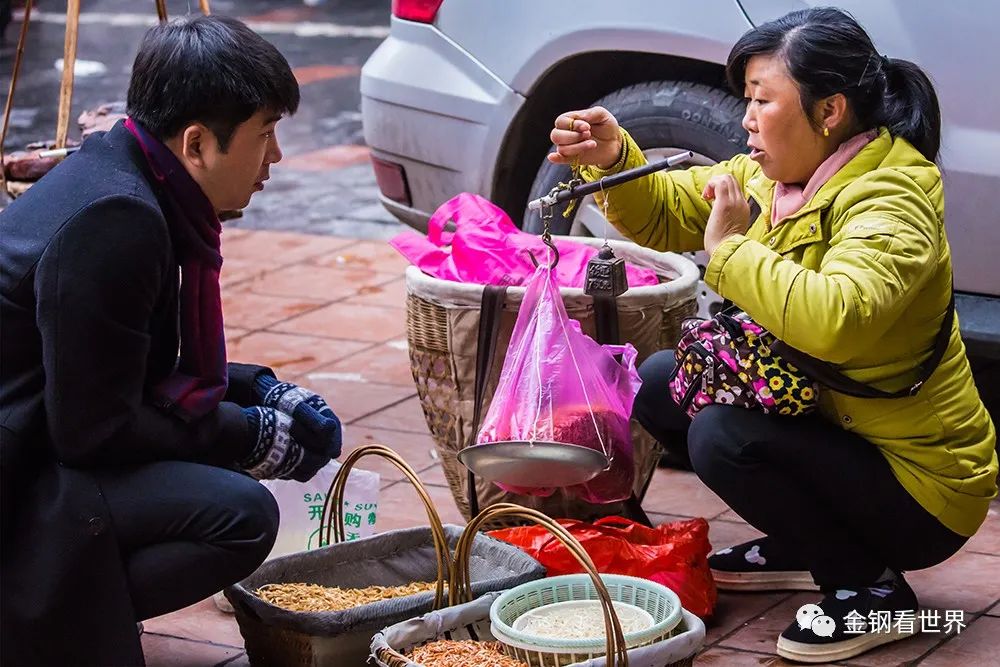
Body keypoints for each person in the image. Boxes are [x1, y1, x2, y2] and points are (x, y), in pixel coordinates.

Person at [548, 7, 996, 663]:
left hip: (922, 491)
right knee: (659, 382)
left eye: (763, 100)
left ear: (830, 110)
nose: (747, 119)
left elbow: (839, 316)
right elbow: (677, 206)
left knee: (722, 434)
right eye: (747, 100)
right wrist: (616, 156)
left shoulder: (891, 197)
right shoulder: (780, 177)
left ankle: (869, 590)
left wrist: (730, 248)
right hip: (839, 434)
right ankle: (801, 538)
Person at [0, 16, 343, 665]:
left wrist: (259, 387)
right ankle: (41, 618)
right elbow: (92, 430)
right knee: (242, 513)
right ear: (196, 143)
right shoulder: (118, 221)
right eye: (264, 134)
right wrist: (250, 433)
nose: (274, 160)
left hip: (47, 438)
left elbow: (125, 360)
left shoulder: (128, 174)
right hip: (21, 472)